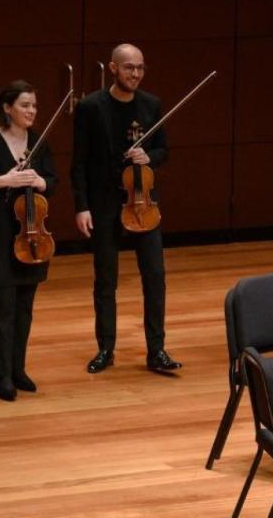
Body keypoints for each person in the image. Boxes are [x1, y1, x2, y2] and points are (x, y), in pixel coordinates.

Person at [71, 43, 181, 374]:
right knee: (106, 278)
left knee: (155, 276)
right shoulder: (91, 107)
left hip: (143, 202)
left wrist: (150, 157)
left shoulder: (151, 105)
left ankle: (156, 350)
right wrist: (81, 206)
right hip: (104, 202)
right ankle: (106, 348)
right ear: (113, 68)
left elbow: (162, 149)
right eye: (129, 67)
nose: (136, 74)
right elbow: (79, 161)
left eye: (141, 68)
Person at [0, 80, 56, 402]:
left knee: (25, 308)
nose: (31, 111)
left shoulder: (39, 143)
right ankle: (2, 375)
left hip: (32, 235)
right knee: (3, 308)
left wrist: (41, 181)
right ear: (7, 108)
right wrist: (5, 180)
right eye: (24, 105)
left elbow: (53, 179)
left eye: (33, 106)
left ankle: (18, 368)